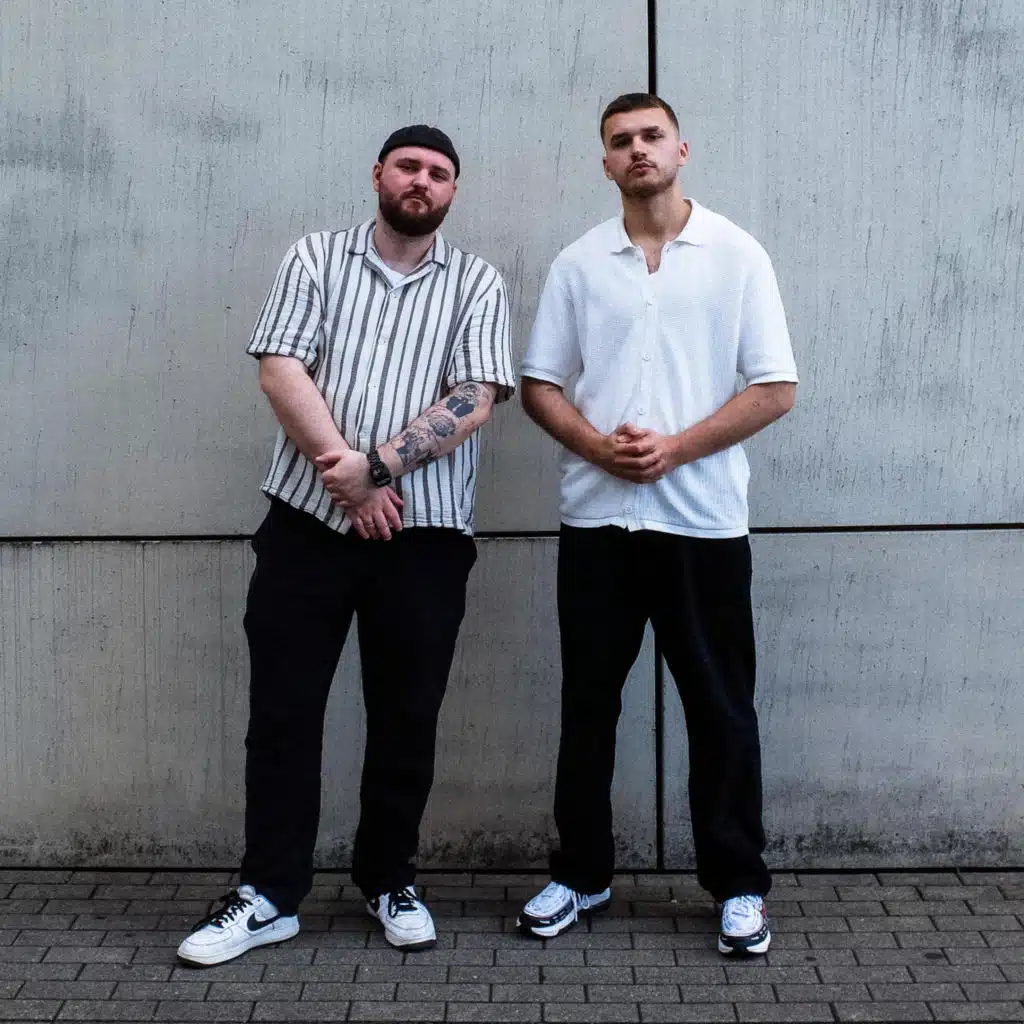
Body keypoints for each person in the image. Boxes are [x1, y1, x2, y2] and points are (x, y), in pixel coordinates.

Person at [177, 125, 516, 966]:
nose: (421, 181)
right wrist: (350, 476)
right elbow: (281, 368)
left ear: (453, 191)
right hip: (307, 526)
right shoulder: (315, 258)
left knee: (407, 715)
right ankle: (269, 894)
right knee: (283, 714)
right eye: (408, 166)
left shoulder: (476, 281)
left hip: (426, 534)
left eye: (439, 173)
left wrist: (378, 468)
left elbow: (476, 394)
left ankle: (388, 879)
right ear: (378, 174)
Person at [516, 94, 797, 956]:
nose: (637, 149)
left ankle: (739, 886)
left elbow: (775, 388)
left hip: (702, 526)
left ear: (681, 149)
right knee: (587, 710)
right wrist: (599, 448)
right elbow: (539, 385)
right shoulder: (578, 264)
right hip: (598, 525)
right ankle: (581, 874)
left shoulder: (738, 255)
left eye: (650, 136)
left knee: (721, 711)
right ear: (605, 162)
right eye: (620, 141)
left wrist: (674, 449)